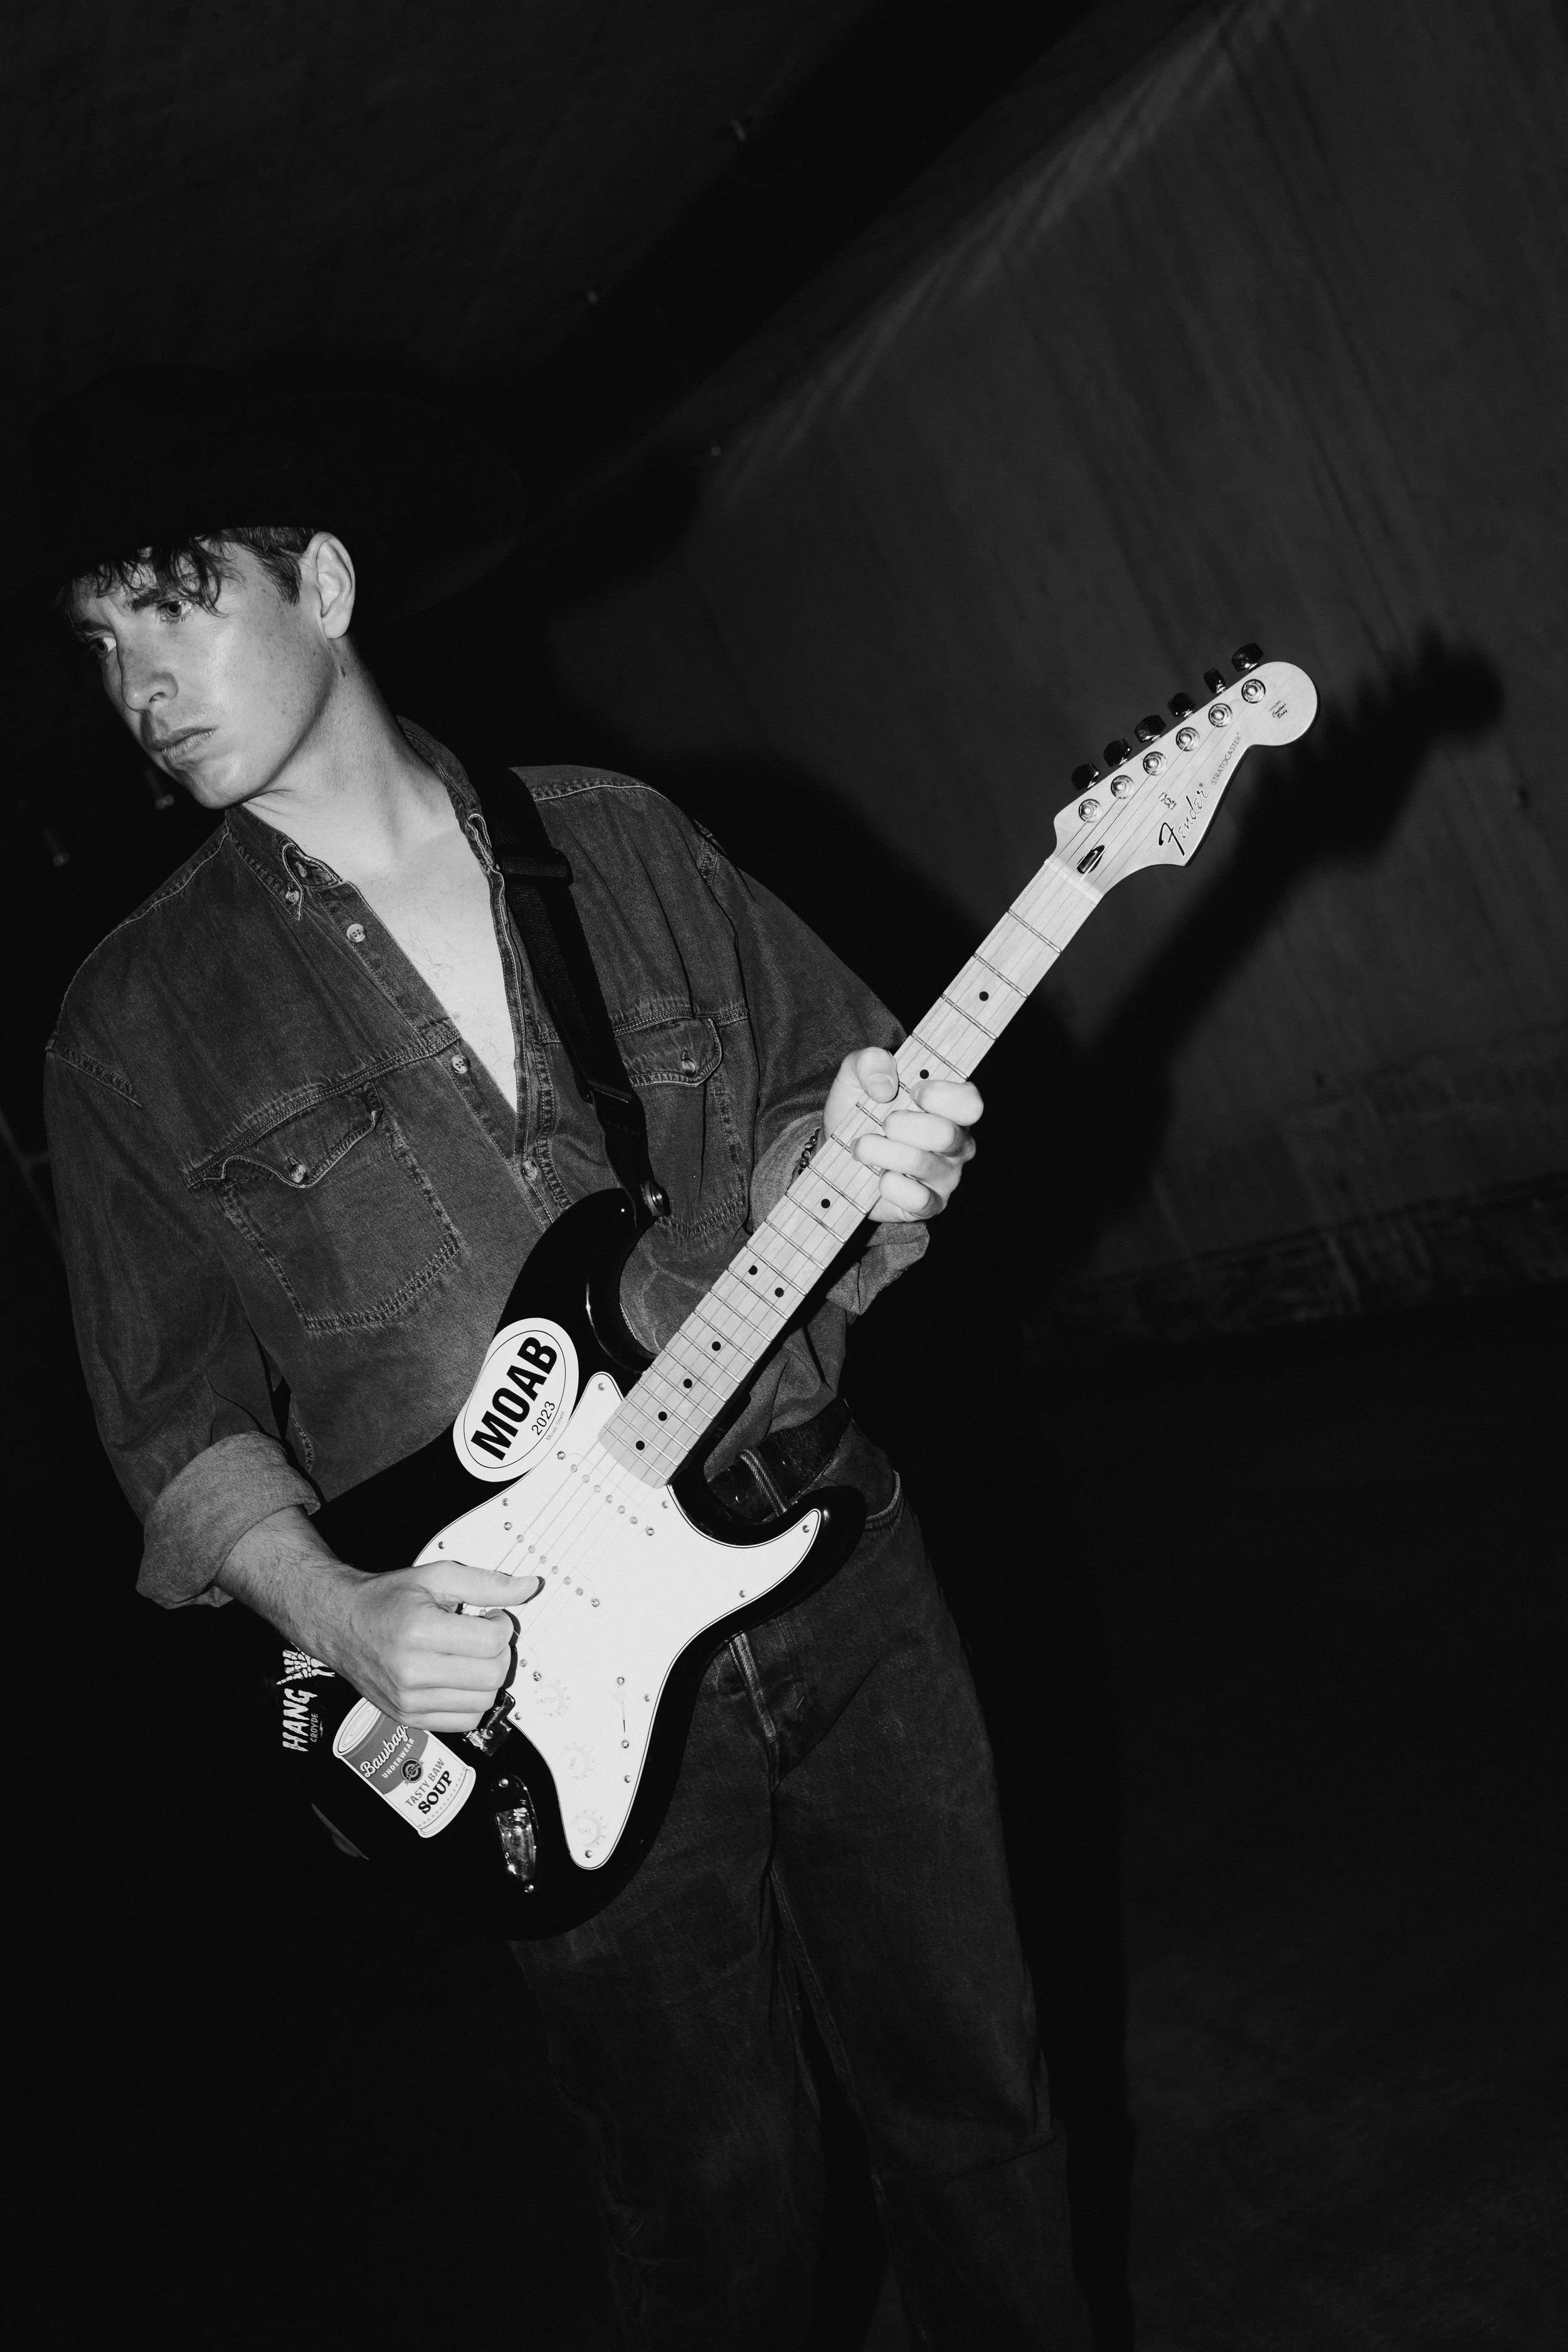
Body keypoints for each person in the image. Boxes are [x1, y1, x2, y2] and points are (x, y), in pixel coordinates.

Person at [38, 368, 1088, 2349]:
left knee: (982, 2111)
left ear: (322, 582)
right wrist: (337, 1611)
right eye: (96, 643)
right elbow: (170, 1416)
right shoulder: (128, 1023)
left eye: (172, 602)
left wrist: (884, 1153)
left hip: (833, 1566)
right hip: (526, 1676)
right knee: (708, 2216)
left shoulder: (619, 839)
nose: (134, 679)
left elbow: (823, 1120)